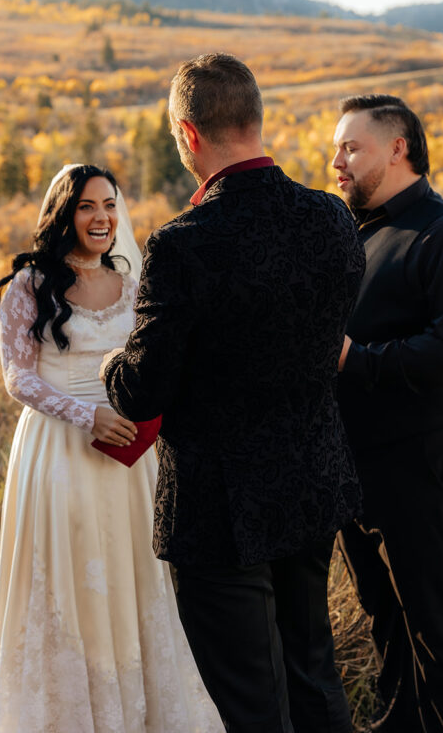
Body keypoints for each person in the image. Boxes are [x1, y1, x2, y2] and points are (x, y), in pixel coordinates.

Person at [102, 54, 365, 733]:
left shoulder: (184, 245)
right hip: (312, 483)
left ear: (188, 135)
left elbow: (141, 391)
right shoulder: (332, 219)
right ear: (254, 120)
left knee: (250, 702)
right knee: (312, 674)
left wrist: (111, 364)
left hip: (221, 510)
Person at [0, 163, 221, 733]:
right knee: (68, 567)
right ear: (65, 213)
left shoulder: (134, 284)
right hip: (58, 447)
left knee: (131, 567)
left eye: (109, 204)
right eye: (86, 206)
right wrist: (87, 416)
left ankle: (134, 700)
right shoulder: (32, 285)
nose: (101, 217)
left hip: (129, 452)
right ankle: (66, 704)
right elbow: (18, 378)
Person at [331, 94, 443, 733]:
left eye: (351, 146)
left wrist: (355, 360)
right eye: (336, 147)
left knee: (437, 625)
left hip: (422, 457)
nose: (336, 160)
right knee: (385, 617)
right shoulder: (352, 232)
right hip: (355, 460)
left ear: (398, 148)